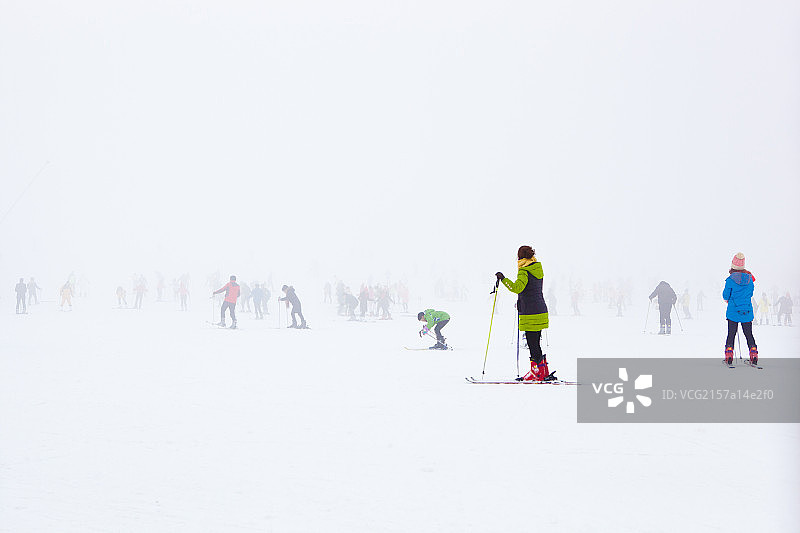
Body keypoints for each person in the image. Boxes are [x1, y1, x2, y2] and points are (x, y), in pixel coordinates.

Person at [496, 245, 554, 381]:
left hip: (530, 312)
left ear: (520, 257)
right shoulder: (537, 269)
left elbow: (517, 288)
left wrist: (503, 279)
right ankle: (542, 371)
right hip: (540, 309)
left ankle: (536, 373)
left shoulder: (524, 271)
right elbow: (531, 290)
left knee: (532, 342)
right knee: (535, 342)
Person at [723, 253, 758, 364]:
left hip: (733, 311)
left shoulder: (730, 280)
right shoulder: (750, 279)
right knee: (748, 334)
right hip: (746, 311)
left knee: (731, 334)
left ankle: (729, 354)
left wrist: (729, 299)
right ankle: (753, 353)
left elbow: (725, 296)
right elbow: (750, 294)